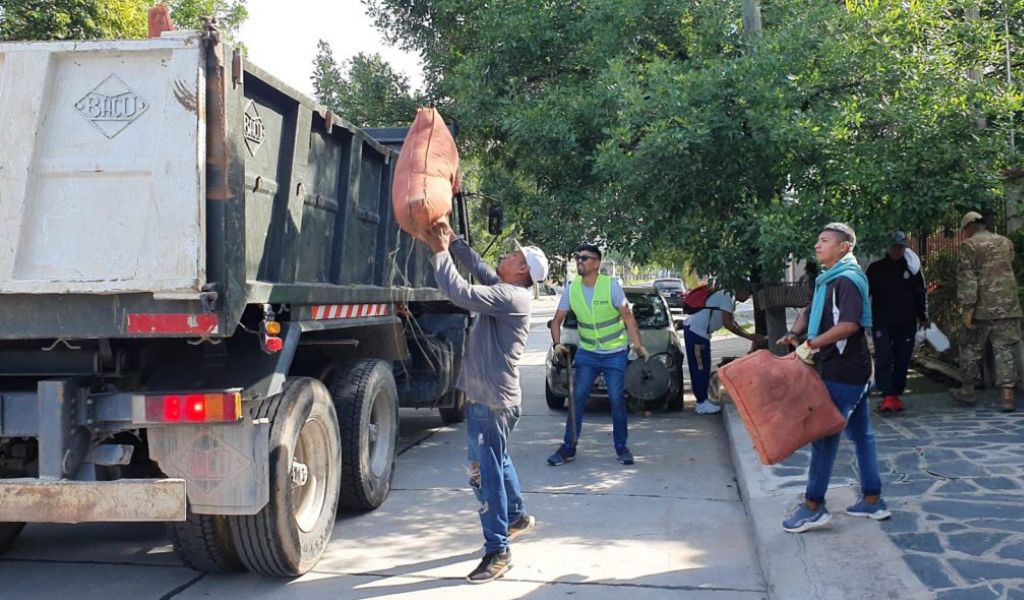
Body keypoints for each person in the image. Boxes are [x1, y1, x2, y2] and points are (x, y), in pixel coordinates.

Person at [419, 223, 547, 584]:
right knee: (499, 461)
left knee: (484, 476)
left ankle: (499, 550)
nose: (505, 256)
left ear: (522, 270)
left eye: (513, 255)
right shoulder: (509, 289)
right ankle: (517, 516)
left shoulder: (510, 297)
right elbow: (476, 265)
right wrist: (452, 237)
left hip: (491, 404)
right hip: (497, 401)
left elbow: (458, 291)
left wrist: (440, 252)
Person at [777, 222, 891, 533]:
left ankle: (814, 506)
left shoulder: (847, 281)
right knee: (862, 434)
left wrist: (812, 344)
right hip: (852, 371)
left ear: (844, 247)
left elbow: (850, 325)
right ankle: (872, 499)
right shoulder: (827, 279)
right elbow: (809, 309)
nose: (817, 245)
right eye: (818, 239)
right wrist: (794, 333)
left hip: (844, 372)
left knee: (824, 437)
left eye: (824, 240)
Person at [547, 244, 648, 466]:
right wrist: (557, 344)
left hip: (614, 353)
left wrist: (638, 345)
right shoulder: (572, 289)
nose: (579, 261)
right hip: (588, 354)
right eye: (577, 257)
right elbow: (556, 321)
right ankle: (568, 448)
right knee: (577, 399)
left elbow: (628, 318)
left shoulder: (610, 286)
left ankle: (621, 447)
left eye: (584, 258)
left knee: (616, 400)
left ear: (596, 263)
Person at [949, 211, 1022, 412]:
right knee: (1005, 350)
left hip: (982, 308)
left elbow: (968, 278)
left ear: (969, 227)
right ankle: (1007, 396)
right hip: (1008, 307)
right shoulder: (1005, 242)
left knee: (970, 348)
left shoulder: (970, 246)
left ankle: (968, 389)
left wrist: (967, 309)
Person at [866, 231, 929, 414]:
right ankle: (886, 393)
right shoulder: (875, 269)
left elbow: (920, 294)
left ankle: (895, 394)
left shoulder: (912, 269)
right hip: (882, 321)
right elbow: (864, 295)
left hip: (907, 321)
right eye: (893, 246)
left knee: (902, 358)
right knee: (884, 355)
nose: (896, 250)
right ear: (887, 247)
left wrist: (923, 317)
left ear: (904, 248)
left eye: (900, 247)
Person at [682, 285, 766, 415]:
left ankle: (703, 400)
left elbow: (731, 321)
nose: (747, 298)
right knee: (700, 368)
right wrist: (748, 336)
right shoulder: (726, 296)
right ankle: (701, 403)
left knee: (703, 366)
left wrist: (749, 336)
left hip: (697, 332)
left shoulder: (726, 295)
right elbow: (728, 324)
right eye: (748, 294)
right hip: (696, 333)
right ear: (741, 289)